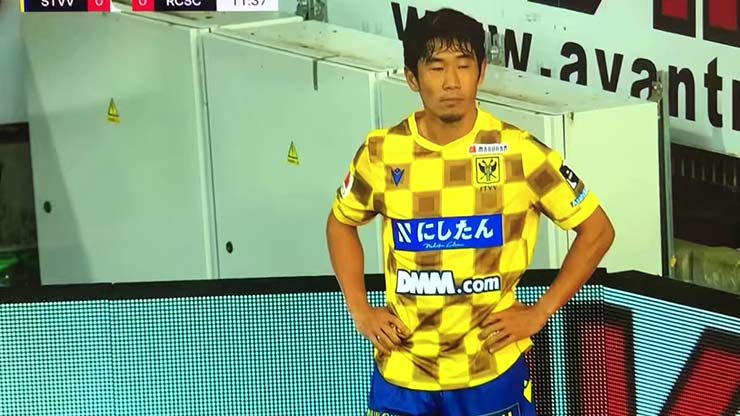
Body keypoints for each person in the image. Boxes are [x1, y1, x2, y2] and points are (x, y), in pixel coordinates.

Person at [325, 7, 615, 416]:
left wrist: (540, 313)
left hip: (490, 372)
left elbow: (598, 230)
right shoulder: (381, 152)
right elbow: (340, 223)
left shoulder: (519, 153)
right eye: (437, 67)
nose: (451, 81)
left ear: (481, 72)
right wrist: (359, 309)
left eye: (464, 65)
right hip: (402, 374)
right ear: (412, 77)